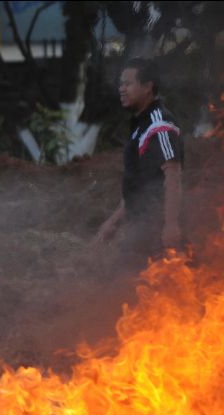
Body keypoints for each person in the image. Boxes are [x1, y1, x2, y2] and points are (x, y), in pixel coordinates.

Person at [95, 57, 184, 266]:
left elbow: (172, 175)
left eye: (128, 83)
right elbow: (140, 186)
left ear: (147, 87)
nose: (121, 89)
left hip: (156, 233)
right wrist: (113, 223)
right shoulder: (141, 125)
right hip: (141, 231)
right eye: (120, 83)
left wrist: (171, 225)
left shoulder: (159, 124)